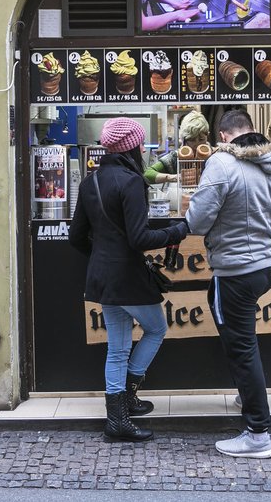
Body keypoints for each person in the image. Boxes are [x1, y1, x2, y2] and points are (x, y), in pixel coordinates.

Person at [186, 109, 271, 458]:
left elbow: (197, 222)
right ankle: (247, 396)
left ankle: (258, 433)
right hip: (263, 268)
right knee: (242, 340)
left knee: (242, 349)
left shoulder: (221, 163)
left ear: (224, 136)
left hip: (235, 270)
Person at [69, 117, 188, 442]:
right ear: (132, 146)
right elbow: (138, 238)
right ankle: (125, 403)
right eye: (139, 144)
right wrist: (177, 231)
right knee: (156, 328)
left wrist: (103, 254)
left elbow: (76, 236)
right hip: (127, 276)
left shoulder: (90, 181)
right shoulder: (131, 181)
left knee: (117, 348)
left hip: (104, 278)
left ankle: (119, 414)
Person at [144, 109, 210, 184]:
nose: (197, 144)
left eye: (201, 139)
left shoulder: (215, 156)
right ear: (184, 139)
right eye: (191, 140)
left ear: (207, 135)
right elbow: (147, 174)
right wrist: (175, 177)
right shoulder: (175, 157)